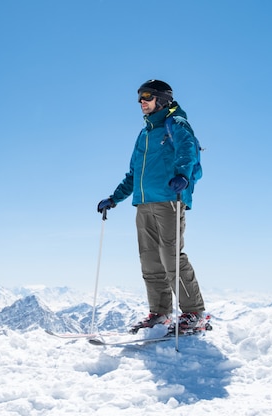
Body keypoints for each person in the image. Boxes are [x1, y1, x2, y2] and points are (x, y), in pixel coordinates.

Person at [97, 79, 206, 334]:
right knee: (150, 261)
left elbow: (188, 151)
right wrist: (114, 198)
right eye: (139, 97)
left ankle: (194, 314)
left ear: (162, 99)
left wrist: (183, 175)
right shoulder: (145, 134)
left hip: (169, 199)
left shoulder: (176, 124)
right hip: (144, 203)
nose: (141, 102)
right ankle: (160, 313)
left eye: (147, 96)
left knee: (171, 257)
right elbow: (134, 174)